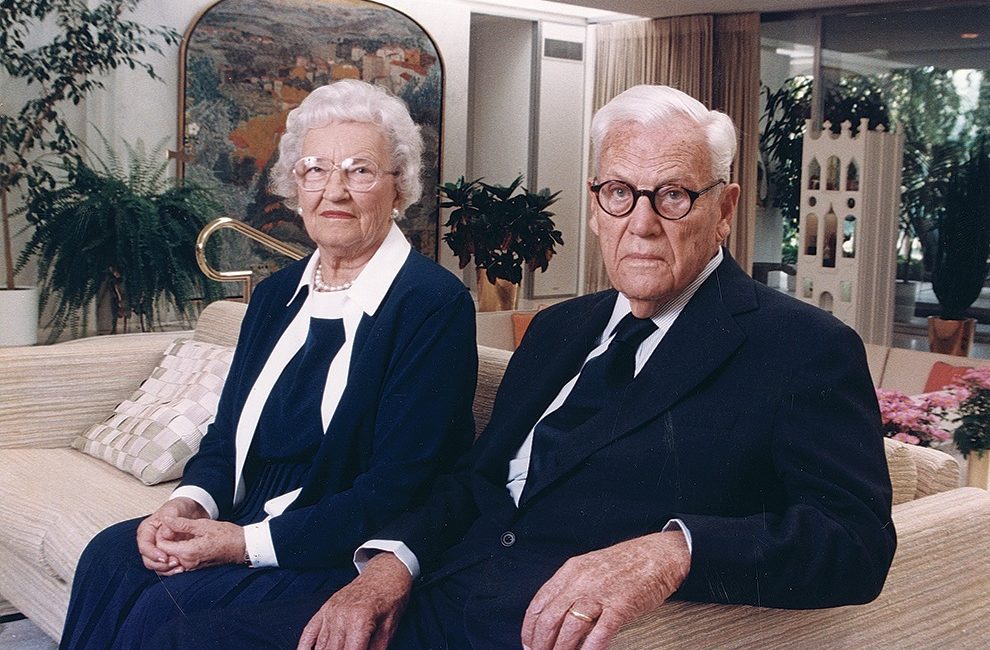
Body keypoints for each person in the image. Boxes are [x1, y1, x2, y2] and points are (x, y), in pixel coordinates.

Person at [151, 84, 896, 650]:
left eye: (672, 195)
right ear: (598, 206)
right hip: (435, 592)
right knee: (173, 619)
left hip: (531, 627)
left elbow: (858, 543)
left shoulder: (799, 345)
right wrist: (389, 567)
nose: (641, 222)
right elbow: (475, 482)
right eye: (618, 193)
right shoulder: (560, 329)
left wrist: (675, 550)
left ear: (725, 207)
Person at [59, 79, 478, 649]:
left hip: (332, 539)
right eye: (315, 170)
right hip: (242, 517)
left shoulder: (432, 304)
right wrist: (188, 504)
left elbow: (395, 488)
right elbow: (225, 436)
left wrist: (237, 543)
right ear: (294, 186)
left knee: (172, 612)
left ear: (398, 188)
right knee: (111, 555)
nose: (335, 191)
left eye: (360, 171)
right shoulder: (274, 295)